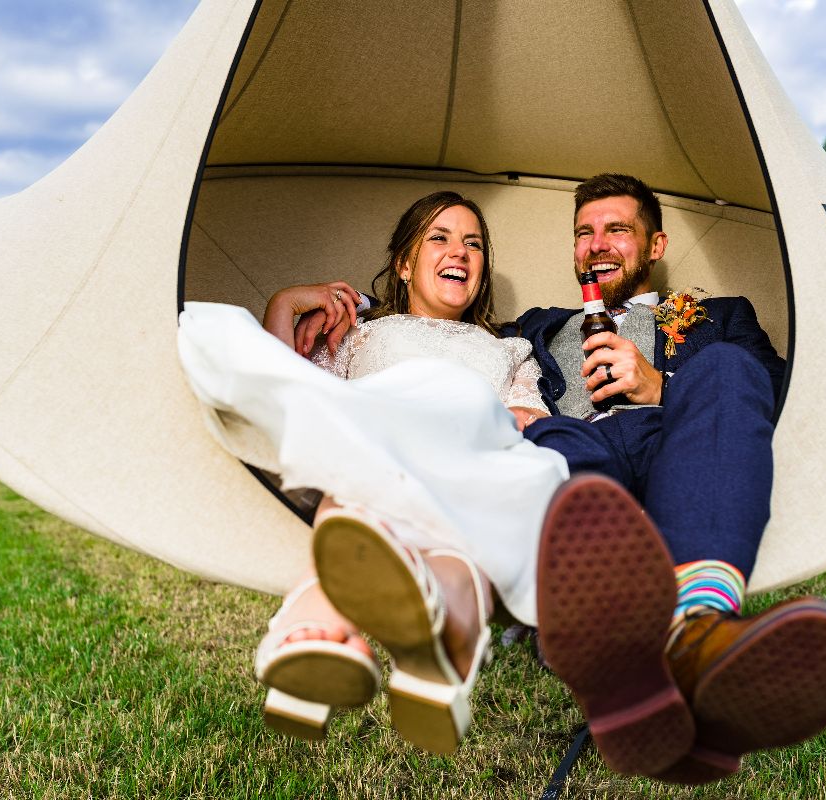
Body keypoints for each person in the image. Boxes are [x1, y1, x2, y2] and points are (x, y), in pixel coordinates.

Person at [298, 174, 826, 786]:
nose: (597, 244)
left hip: (680, 445)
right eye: (584, 233)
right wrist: (332, 309)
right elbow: (436, 349)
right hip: (570, 451)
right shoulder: (529, 329)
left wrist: (658, 387)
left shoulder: (721, 316)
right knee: (538, 442)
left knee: (726, 365)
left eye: (618, 229)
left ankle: (687, 630)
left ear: (656, 244)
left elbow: (779, 393)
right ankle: (654, 650)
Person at [176, 192, 566, 755]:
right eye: (440, 237)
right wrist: (287, 302)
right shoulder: (360, 335)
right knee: (360, 435)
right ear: (404, 264)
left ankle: (318, 612)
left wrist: (502, 414)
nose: (460, 251)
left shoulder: (508, 349)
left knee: (464, 417)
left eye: (473, 243)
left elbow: (532, 419)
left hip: (470, 460)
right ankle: (451, 633)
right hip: (377, 455)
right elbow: (291, 392)